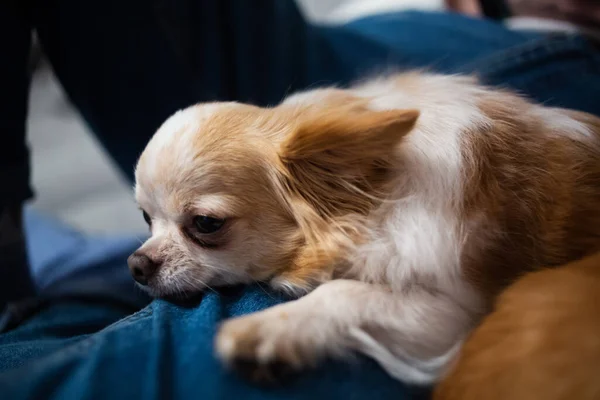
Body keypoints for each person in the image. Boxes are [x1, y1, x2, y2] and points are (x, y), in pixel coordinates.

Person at [0, 1, 599, 398]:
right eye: (148, 220)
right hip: (421, 35)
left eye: (204, 225)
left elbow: (444, 317)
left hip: (555, 61)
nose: (148, 255)